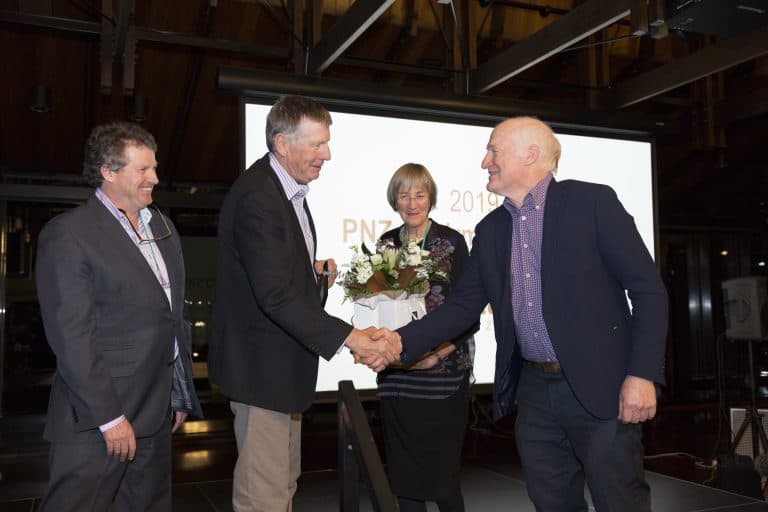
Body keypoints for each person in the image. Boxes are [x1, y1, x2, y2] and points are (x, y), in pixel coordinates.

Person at [371, 117, 668, 511]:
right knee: (551, 503)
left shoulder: (593, 203)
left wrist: (643, 374)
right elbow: (462, 306)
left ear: (530, 155)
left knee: (619, 502)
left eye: (493, 151)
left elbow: (648, 291)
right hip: (535, 394)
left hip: (603, 389)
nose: (484, 162)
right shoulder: (491, 229)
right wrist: (398, 341)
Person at [207, 94, 400, 512]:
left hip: (279, 373)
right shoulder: (259, 197)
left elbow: (273, 275)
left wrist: (313, 275)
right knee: (265, 497)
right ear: (282, 143)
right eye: (317, 145)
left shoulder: (285, 190)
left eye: (326, 144)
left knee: (282, 488)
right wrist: (353, 338)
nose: (326, 155)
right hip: (262, 374)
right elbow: (274, 295)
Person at [35, 121, 202, 512]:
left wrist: (177, 391)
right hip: (97, 418)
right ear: (108, 172)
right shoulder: (69, 233)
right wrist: (109, 417)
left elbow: (171, 317)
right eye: (143, 170)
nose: (155, 178)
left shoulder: (162, 226)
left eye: (155, 168)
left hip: (156, 412)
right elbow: (72, 335)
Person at [375, 163, 477, 512]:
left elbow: (469, 311)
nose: (412, 202)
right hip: (398, 377)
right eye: (404, 194)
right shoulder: (386, 243)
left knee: (443, 479)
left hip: (442, 375)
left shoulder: (451, 242)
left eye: (419, 193)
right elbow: (377, 304)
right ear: (395, 199)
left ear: (430, 198)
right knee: (404, 480)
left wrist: (436, 353)